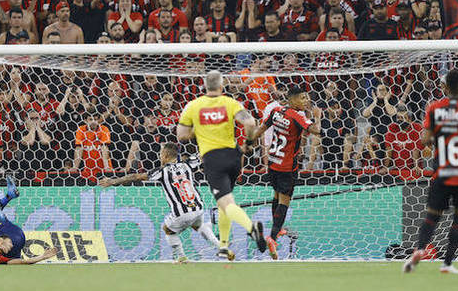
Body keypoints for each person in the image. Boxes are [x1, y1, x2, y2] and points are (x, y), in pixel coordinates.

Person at [403, 69, 458, 274]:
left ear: (444, 87)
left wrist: (440, 136)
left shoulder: (434, 108)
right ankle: (447, 263)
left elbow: (424, 141)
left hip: (442, 172)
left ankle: (420, 249)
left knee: (432, 215)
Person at [176, 70, 267, 259]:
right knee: (224, 201)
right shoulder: (230, 102)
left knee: (226, 202)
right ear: (221, 85)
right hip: (234, 156)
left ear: (204, 86)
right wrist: (248, 144)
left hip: (212, 158)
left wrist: (199, 129)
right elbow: (250, 123)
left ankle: (252, 229)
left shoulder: (193, 106)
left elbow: (182, 136)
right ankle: (224, 246)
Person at [99, 143, 228, 262]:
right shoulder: (187, 164)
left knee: (168, 229)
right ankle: (221, 246)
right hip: (198, 208)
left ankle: (181, 257)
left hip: (181, 212)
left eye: (160, 154)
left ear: (165, 155)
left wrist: (113, 181)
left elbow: (136, 177)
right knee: (198, 226)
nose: (160, 156)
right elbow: (202, 154)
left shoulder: (161, 171)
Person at [252, 85, 321, 259]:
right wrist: (318, 118)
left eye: (307, 98)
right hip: (286, 166)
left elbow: (262, 128)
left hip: (273, 163)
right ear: (293, 99)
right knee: (285, 201)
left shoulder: (276, 110)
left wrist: (249, 140)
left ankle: (278, 228)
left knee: (276, 196)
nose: (306, 101)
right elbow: (315, 130)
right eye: (302, 98)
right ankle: (273, 237)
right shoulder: (297, 115)